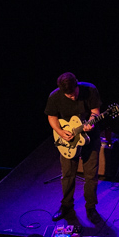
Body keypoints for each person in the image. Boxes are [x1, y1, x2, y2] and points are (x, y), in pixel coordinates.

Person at [45, 72, 103, 224]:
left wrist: (91, 122)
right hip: (68, 140)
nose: (72, 97)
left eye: (74, 93)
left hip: (90, 139)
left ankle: (91, 208)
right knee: (68, 175)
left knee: (90, 176)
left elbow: (95, 112)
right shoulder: (55, 96)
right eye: (68, 96)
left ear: (77, 84)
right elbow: (51, 117)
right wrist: (59, 132)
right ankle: (66, 206)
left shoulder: (90, 90)